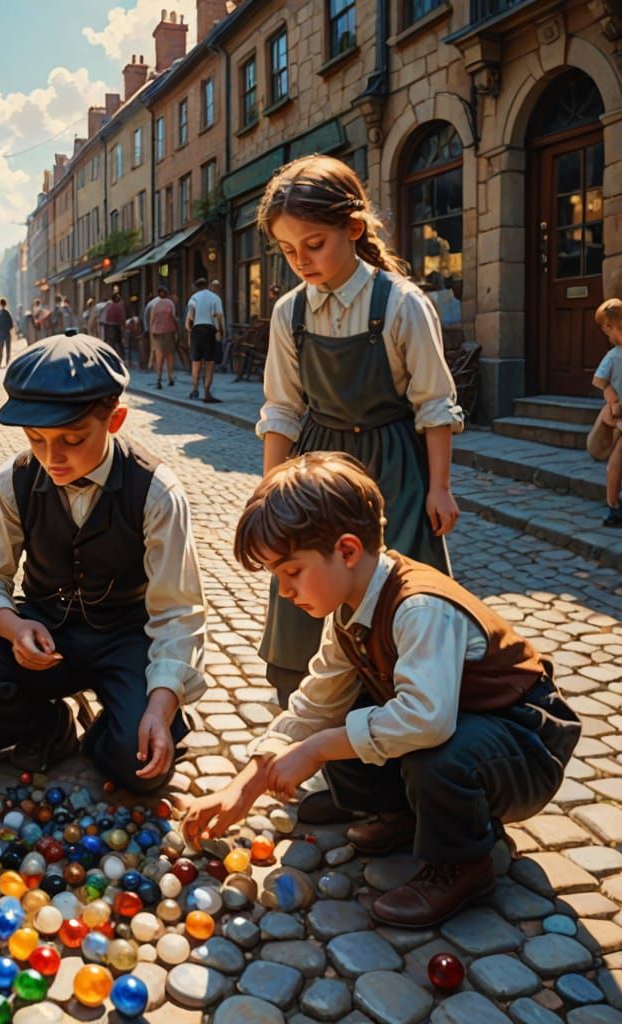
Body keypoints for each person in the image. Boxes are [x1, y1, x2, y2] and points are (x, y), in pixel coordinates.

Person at [182, 452, 580, 927]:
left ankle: (463, 863)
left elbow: (427, 719)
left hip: (523, 744)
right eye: (276, 578)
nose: (284, 591)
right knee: (346, 712)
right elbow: (315, 702)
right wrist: (242, 788)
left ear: (347, 551)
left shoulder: (419, 608)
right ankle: (410, 815)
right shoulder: (348, 610)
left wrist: (318, 748)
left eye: (292, 572)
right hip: (470, 726)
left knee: (431, 750)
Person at [0, 333, 206, 791]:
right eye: (36, 439)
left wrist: (159, 706)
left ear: (114, 419)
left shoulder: (157, 492)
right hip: (44, 626)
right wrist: (13, 627)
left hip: (127, 637)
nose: (52, 457)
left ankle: (108, 731)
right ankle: (50, 727)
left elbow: (179, 613)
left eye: (73, 439)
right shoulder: (13, 481)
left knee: (135, 768)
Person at [256, 154, 463, 708]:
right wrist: (270, 493)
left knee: (394, 594)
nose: (301, 260)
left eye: (313, 244)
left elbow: (435, 405)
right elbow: (282, 409)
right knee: (306, 582)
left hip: (392, 466)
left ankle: (394, 716)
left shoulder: (401, 304)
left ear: (352, 227)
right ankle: (308, 714)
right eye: (287, 250)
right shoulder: (289, 314)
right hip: (318, 468)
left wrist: (439, 488)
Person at [589, 298, 622, 526]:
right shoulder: (614, 356)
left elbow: (600, 381)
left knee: (617, 462)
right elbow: (600, 381)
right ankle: (613, 507)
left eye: (606, 328)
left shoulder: (614, 355)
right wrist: (612, 400)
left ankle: (613, 507)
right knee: (616, 462)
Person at [185, 277, 225, 404]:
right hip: (210, 330)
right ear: (207, 285)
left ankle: (195, 389)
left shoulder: (194, 298)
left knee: (196, 362)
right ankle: (207, 391)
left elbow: (190, 316)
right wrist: (221, 331)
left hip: (197, 330)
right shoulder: (215, 298)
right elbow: (219, 316)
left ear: (196, 287)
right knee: (209, 362)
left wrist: (189, 331)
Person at [148, 285, 178, 389]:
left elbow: (151, 319)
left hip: (157, 333)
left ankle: (159, 379)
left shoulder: (154, 304)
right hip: (169, 331)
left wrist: (151, 333)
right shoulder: (170, 303)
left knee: (159, 357)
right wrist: (177, 330)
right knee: (169, 356)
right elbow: (173, 317)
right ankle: (171, 378)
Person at [101, 291, 127, 359]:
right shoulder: (119, 306)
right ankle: (121, 358)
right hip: (115, 327)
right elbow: (122, 319)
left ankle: (110, 357)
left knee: (111, 344)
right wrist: (124, 328)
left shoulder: (108, 306)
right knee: (119, 343)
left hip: (108, 327)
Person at [0, 298, 15, 369]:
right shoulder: (8, 313)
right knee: (8, 349)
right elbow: (11, 325)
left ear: (0, 304)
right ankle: (7, 363)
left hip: (0, 334)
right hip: (7, 334)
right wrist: (7, 328)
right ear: (6, 304)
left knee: (1, 350)